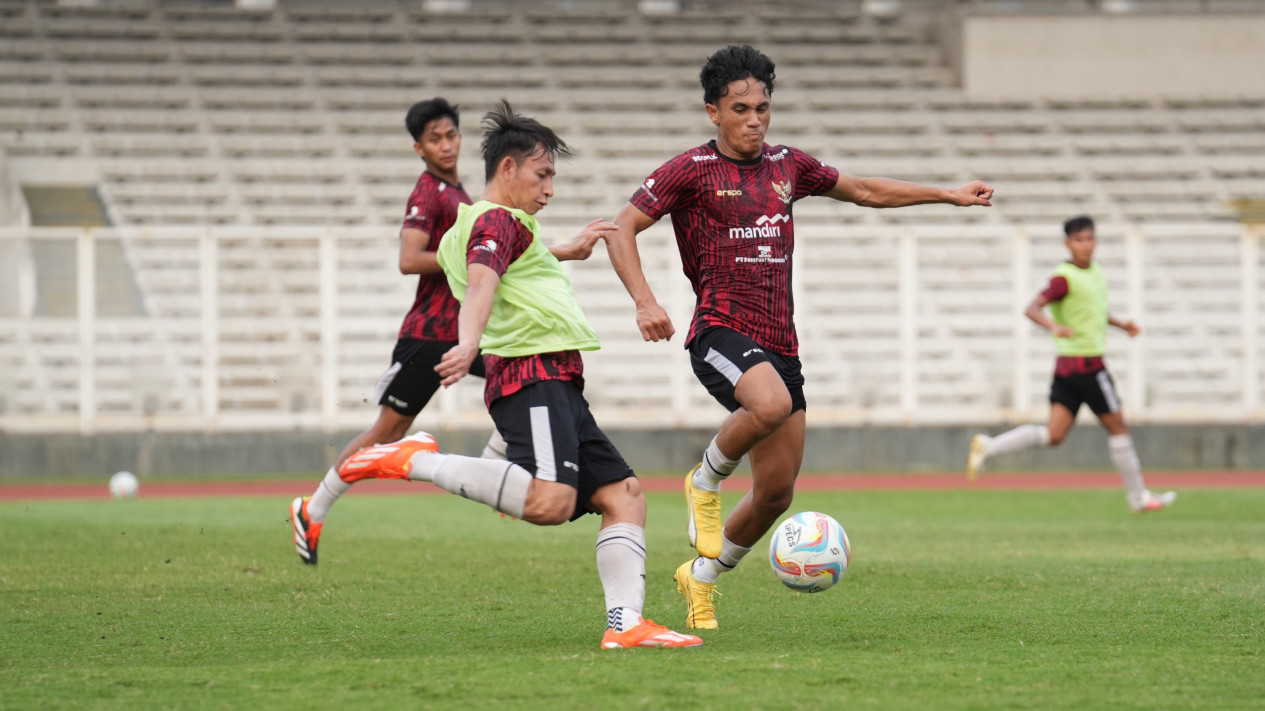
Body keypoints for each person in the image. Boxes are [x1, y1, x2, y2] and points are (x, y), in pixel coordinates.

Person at [603, 44, 994, 630]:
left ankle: (700, 578)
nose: (754, 118)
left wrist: (947, 194)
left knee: (776, 495)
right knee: (770, 404)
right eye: (740, 108)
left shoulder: (788, 166)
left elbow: (862, 189)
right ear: (714, 112)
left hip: (780, 344)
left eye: (763, 106)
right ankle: (704, 479)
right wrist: (645, 301)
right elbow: (621, 227)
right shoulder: (690, 170)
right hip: (719, 331)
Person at [334, 99, 703, 649]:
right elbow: (482, 282)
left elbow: (499, 269)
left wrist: (563, 253)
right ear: (508, 169)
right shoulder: (494, 219)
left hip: (558, 380)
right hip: (533, 376)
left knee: (624, 496)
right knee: (552, 502)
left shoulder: (501, 225)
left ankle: (626, 626)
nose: (549, 188)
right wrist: (465, 344)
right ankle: (418, 459)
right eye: (542, 173)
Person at [289, 98, 602, 566]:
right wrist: (470, 259)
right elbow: (409, 259)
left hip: (472, 326)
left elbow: (503, 256)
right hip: (433, 332)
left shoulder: (468, 199)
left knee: (525, 372)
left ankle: (503, 469)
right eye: (435, 138)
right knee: (390, 428)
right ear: (419, 148)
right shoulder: (429, 192)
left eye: (451, 134)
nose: (446, 144)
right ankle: (314, 508)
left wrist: (556, 251)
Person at [966, 215, 1176, 514]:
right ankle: (1138, 497)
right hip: (1088, 368)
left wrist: (1121, 324)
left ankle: (989, 446)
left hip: (1066, 371)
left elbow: (1092, 312)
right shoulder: (1063, 278)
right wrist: (1053, 327)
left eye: (1090, 239)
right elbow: (1031, 308)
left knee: (1054, 435)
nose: (1086, 245)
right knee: (1119, 429)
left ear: (1096, 241)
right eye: (1079, 240)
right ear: (1068, 244)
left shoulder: (1095, 273)